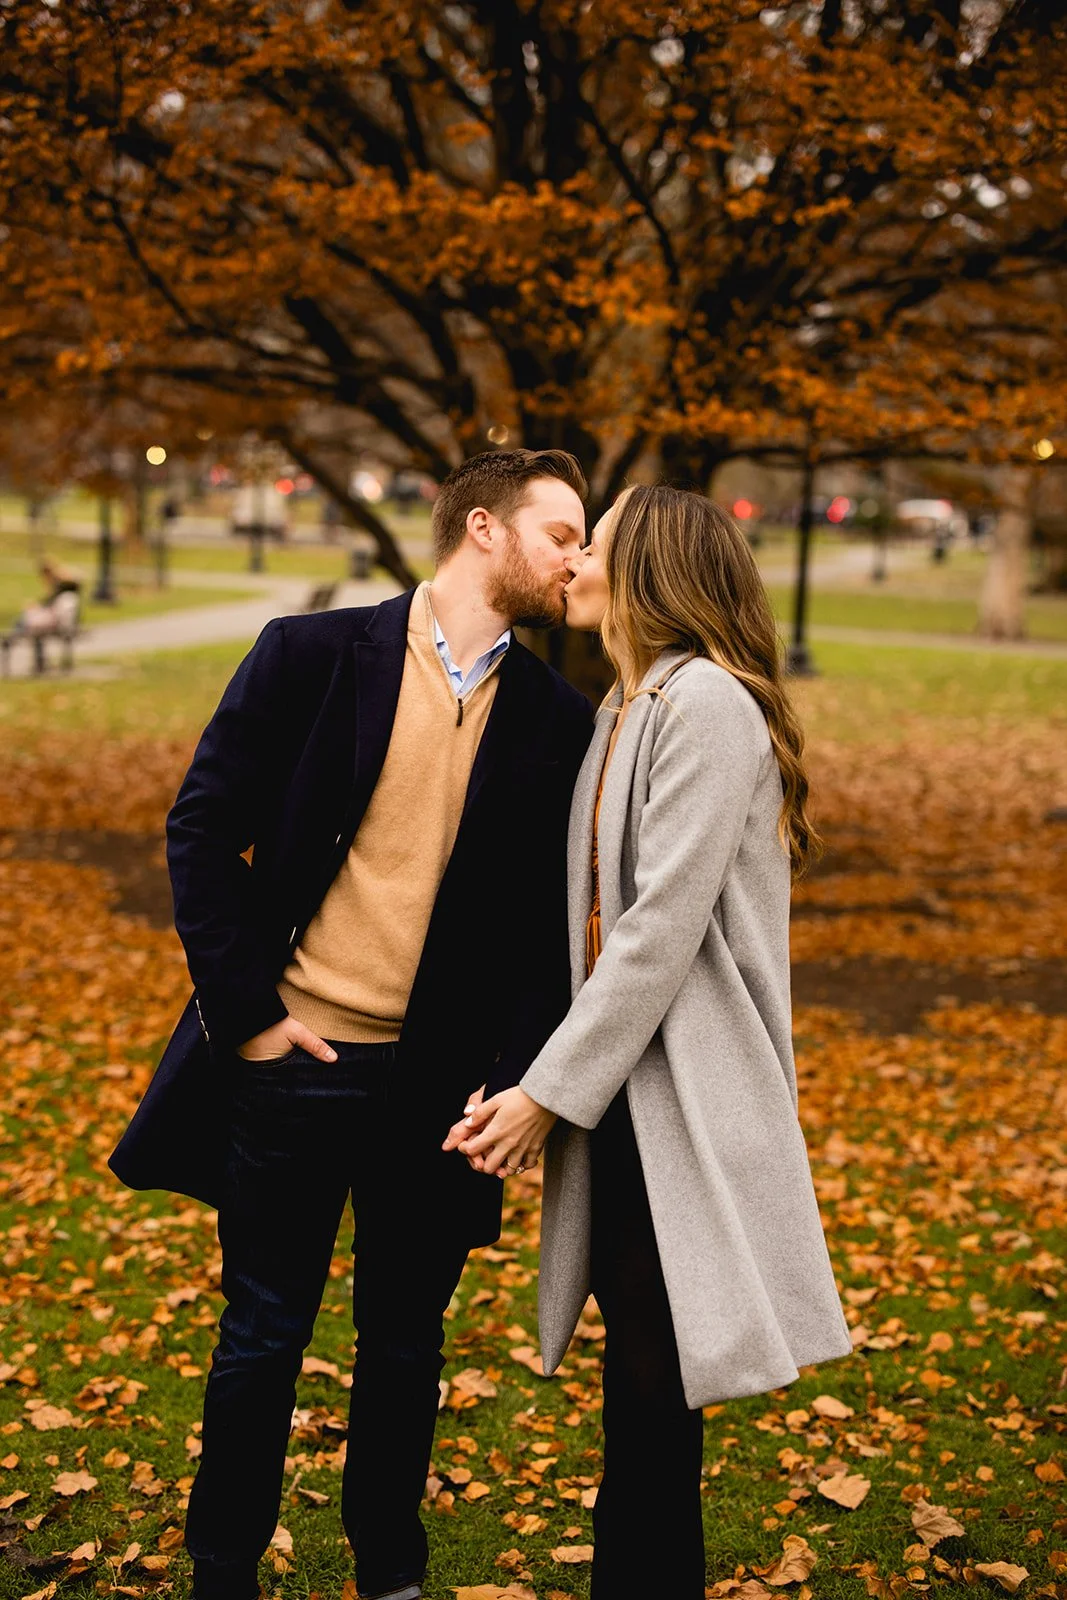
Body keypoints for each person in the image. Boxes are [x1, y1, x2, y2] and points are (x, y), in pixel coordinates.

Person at [109, 448, 594, 1600]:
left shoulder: (556, 718)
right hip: (296, 1066)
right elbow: (200, 828)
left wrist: (516, 1077)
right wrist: (251, 1018)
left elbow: (542, 930)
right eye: (561, 532)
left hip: (438, 1092)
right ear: (483, 528)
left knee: (404, 1351)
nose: (578, 558)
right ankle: (223, 1569)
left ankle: (390, 1571)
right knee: (263, 1336)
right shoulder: (312, 654)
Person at [447, 485, 853, 1598]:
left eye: (595, 544)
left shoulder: (704, 706)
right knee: (640, 1392)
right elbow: (586, 921)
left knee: (653, 1400)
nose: (572, 562)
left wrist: (544, 1092)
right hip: (628, 1096)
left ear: (649, 568)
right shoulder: (630, 706)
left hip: (682, 1098)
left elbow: (655, 931)